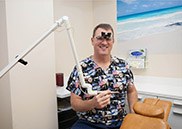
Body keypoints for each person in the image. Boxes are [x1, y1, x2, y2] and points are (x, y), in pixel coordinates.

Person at [66, 23, 138, 129]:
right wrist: (92, 103)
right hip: (89, 123)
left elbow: (131, 91)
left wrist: (133, 114)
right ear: (92, 40)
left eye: (108, 39)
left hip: (119, 123)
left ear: (113, 41)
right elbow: (74, 103)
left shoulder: (124, 66)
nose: (104, 42)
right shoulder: (81, 68)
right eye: (100, 38)